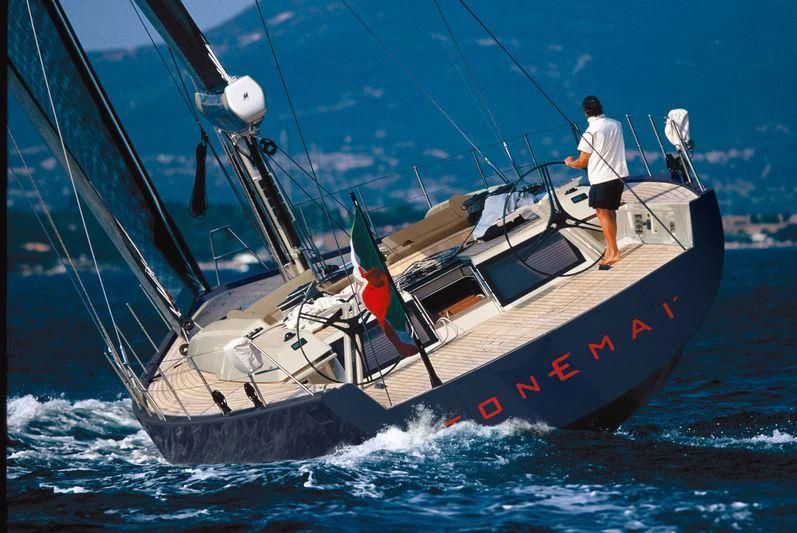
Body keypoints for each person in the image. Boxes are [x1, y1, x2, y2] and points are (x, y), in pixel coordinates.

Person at [564, 95, 629, 266]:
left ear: (585, 112)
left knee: (602, 213)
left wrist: (570, 162)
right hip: (618, 175)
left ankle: (613, 252)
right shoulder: (616, 124)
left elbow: (582, 162)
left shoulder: (590, 132)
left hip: (601, 178)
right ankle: (611, 249)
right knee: (610, 212)